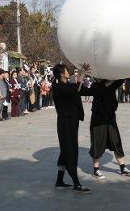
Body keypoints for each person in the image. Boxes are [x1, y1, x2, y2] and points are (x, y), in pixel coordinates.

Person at [82, 77, 130, 179]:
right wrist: (111, 80)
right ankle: (96, 169)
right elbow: (100, 88)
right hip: (98, 118)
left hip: (110, 117)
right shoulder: (95, 85)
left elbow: (121, 79)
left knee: (116, 141)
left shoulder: (112, 84)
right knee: (97, 142)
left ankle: (122, 167)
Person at [52, 63, 91, 193]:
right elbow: (75, 90)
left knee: (65, 151)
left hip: (72, 121)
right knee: (70, 151)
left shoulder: (66, 85)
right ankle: (76, 183)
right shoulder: (58, 87)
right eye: (66, 71)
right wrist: (82, 73)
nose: (69, 72)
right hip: (65, 123)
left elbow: (80, 88)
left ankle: (59, 181)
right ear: (62, 74)